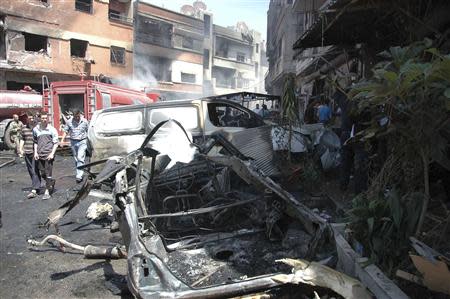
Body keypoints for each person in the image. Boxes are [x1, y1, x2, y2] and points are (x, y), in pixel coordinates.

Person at [33, 112, 58, 200]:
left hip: (48, 155)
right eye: (42, 118)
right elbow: (35, 142)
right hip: (40, 154)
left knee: (48, 174)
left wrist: (52, 154)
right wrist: (35, 153)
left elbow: (55, 143)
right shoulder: (36, 129)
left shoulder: (52, 129)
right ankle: (51, 182)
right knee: (42, 173)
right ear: (40, 118)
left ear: (48, 119)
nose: (44, 120)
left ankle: (47, 192)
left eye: (45, 118)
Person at [61, 110, 89, 183]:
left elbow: (88, 131)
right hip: (73, 142)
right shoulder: (69, 122)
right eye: (75, 116)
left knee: (80, 157)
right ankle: (80, 170)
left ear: (80, 114)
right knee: (76, 159)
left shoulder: (84, 121)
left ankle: (79, 175)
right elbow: (66, 131)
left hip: (82, 141)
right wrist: (62, 140)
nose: (77, 118)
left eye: (78, 116)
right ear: (73, 115)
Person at [19, 113, 41, 198]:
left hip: (36, 152)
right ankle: (37, 186)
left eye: (32, 118)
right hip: (27, 152)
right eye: (30, 118)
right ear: (27, 118)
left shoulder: (37, 128)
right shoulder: (24, 128)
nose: (31, 120)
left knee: (34, 169)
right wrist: (21, 149)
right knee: (31, 170)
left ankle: (34, 189)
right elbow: (22, 139)